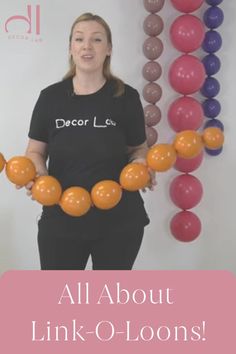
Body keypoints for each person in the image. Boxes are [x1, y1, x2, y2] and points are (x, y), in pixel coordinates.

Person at [24, 12, 156, 270]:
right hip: (61, 219)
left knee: (108, 305)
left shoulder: (126, 97)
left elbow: (138, 148)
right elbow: (35, 151)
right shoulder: (50, 98)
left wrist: (141, 164)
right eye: (79, 39)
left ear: (108, 49)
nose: (87, 46)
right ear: (70, 48)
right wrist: (37, 172)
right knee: (58, 303)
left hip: (120, 222)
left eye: (96, 39)